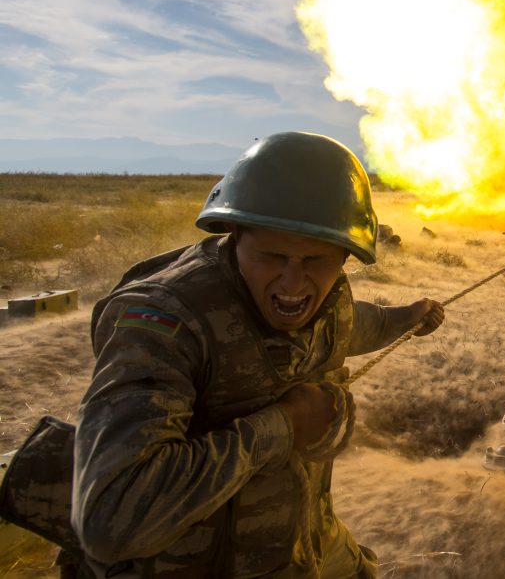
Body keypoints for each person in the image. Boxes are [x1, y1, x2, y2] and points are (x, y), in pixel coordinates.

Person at [69, 131, 444, 577]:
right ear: (234, 235)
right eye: (272, 256)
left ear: (345, 257)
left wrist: (407, 318)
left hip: (301, 546)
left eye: (316, 261)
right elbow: (111, 522)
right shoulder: (166, 324)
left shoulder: (327, 299)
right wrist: (281, 427)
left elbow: (350, 325)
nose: (292, 283)